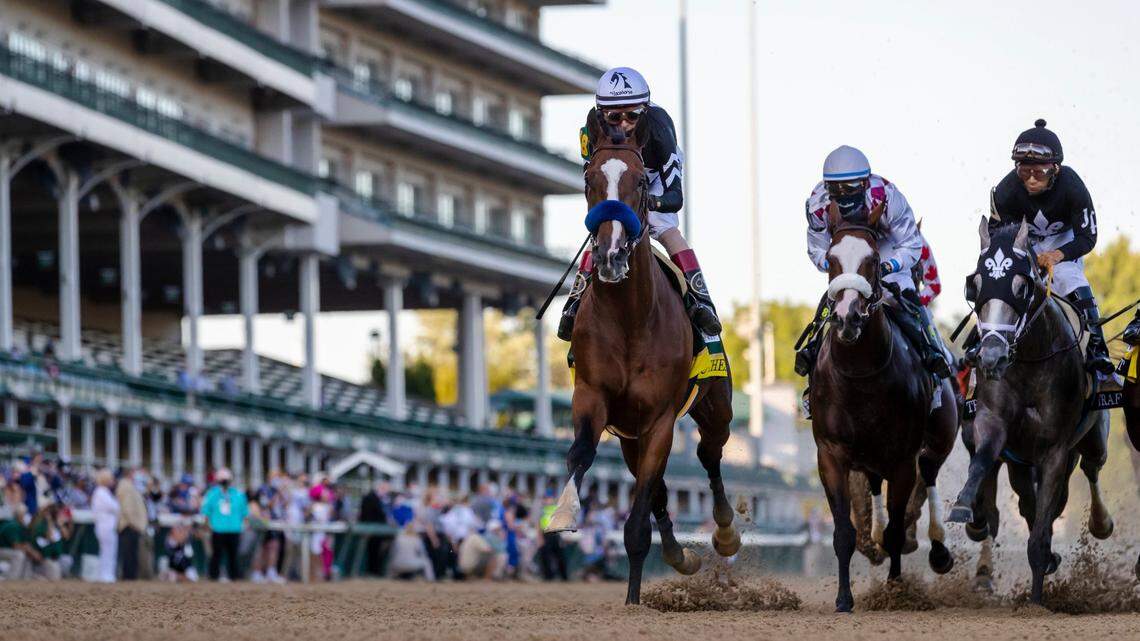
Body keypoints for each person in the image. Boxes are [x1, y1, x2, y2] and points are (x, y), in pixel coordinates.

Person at [557, 66, 721, 341]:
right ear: (601, 114)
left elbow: (675, 198)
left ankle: (701, 300)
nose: (623, 124)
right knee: (604, 230)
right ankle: (574, 302)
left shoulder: (659, 126)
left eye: (632, 116)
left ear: (644, 112)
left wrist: (648, 202)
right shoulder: (591, 126)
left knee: (665, 228)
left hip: (652, 176)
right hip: (614, 174)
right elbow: (592, 180)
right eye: (614, 117)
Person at [795, 145, 953, 381]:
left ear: (864, 183)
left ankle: (931, 350)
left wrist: (887, 267)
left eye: (849, 187)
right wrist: (836, 268)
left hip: (887, 247)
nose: (843, 194)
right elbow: (817, 248)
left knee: (904, 295)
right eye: (835, 189)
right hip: (847, 251)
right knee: (835, 298)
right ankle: (813, 348)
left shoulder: (887, 195)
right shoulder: (818, 202)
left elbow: (911, 245)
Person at [979, 119, 1114, 375]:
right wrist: (1028, 257)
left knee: (1069, 277)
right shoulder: (1006, 190)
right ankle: (981, 340)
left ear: (1055, 169)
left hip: (1064, 241)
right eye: (1024, 172)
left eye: (1039, 173)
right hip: (1023, 243)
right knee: (998, 277)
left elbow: (1088, 237)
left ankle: (1097, 347)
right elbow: (998, 239)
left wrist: (1057, 255)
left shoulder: (1073, 186)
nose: (1030, 180)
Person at [200, 467, 248, 581]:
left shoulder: (238, 495)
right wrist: (207, 525)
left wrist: (243, 526)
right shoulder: (212, 494)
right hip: (218, 529)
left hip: (234, 529)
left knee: (233, 555)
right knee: (216, 554)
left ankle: (234, 576)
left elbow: (245, 513)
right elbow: (206, 511)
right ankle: (214, 576)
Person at [116, 468, 148, 580]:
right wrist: (135, 524)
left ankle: (130, 577)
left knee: (131, 554)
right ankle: (128, 578)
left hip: (131, 525)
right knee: (129, 555)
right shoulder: (126, 487)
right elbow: (127, 508)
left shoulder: (129, 486)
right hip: (129, 525)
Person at [90, 468, 120, 583]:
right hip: (105, 526)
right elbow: (115, 507)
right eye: (111, 479)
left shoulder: (103, 492)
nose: (113, 481)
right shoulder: (101, 492)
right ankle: (105, 575)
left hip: (106, 525)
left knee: (108, 551)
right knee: (108, 551)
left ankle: (107, 574)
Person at [359, 481, 392, 577]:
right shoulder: (369, 498)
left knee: (377, 551)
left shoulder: (383, 500)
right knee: (371, 551)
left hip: (379, 531)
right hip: (371, 530)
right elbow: (366, 515)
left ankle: (376, 571)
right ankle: (371, 572)